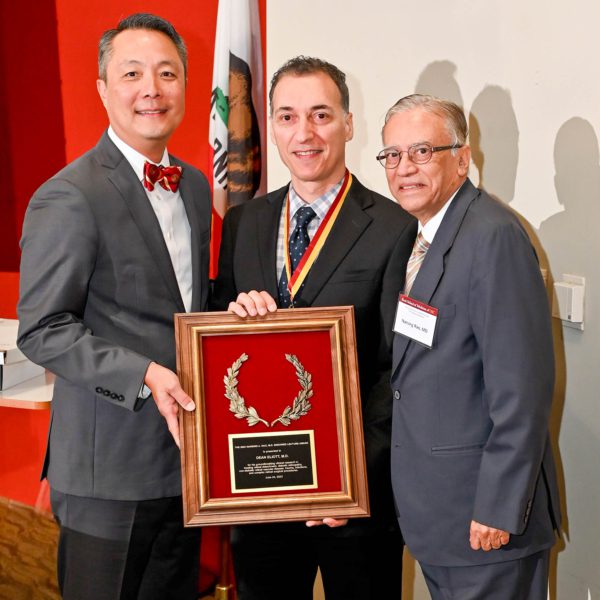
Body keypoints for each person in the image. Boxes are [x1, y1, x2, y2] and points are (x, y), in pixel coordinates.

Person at [17, 13, 211, 600]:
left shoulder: (196, 186)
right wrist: (145, 374)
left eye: (167, 73)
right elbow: (43, 330)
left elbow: (182, 306)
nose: (152, 88)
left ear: (184, 86)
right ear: (103, 89)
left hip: (185, 465)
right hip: (107, 474)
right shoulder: (69, 195)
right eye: (132, 73)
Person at [212, 56, 416, 600]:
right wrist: (231, 322)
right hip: (259, 492)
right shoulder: (244, 223)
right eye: (287, 116)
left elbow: (401, 369)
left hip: (353, 500)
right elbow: (215, 347)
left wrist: (345, 477)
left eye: (321, 115)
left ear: (349, 124)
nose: (304, 133)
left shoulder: (396, 228)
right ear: (272, 126)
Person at [379, 94, 560, 599]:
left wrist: (497, 507)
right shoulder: (420, 238)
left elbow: (521, 389)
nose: (404, 168)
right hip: (441, 519)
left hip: (486, 526)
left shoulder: (493, 236)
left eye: (421, 152)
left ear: (462, 158)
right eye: (392, 155)